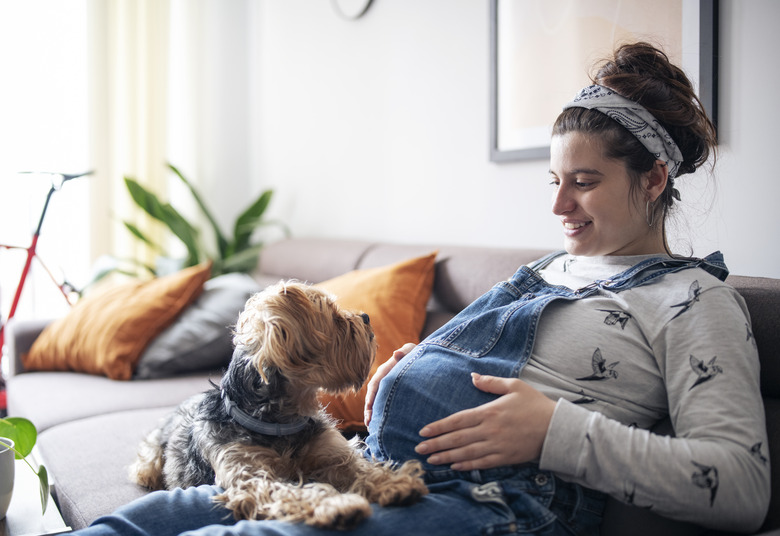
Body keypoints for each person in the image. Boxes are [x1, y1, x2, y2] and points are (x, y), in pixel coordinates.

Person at [73, 42, 769, 536]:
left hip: (494, 505)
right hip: (368, 469)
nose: (559, 208)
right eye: (553, 181)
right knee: (140, 521)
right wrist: (404, 372)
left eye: (584, 183)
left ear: (652, 181)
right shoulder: (547, 272)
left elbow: (741, 487)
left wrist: (556, 431)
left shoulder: (693, 301)